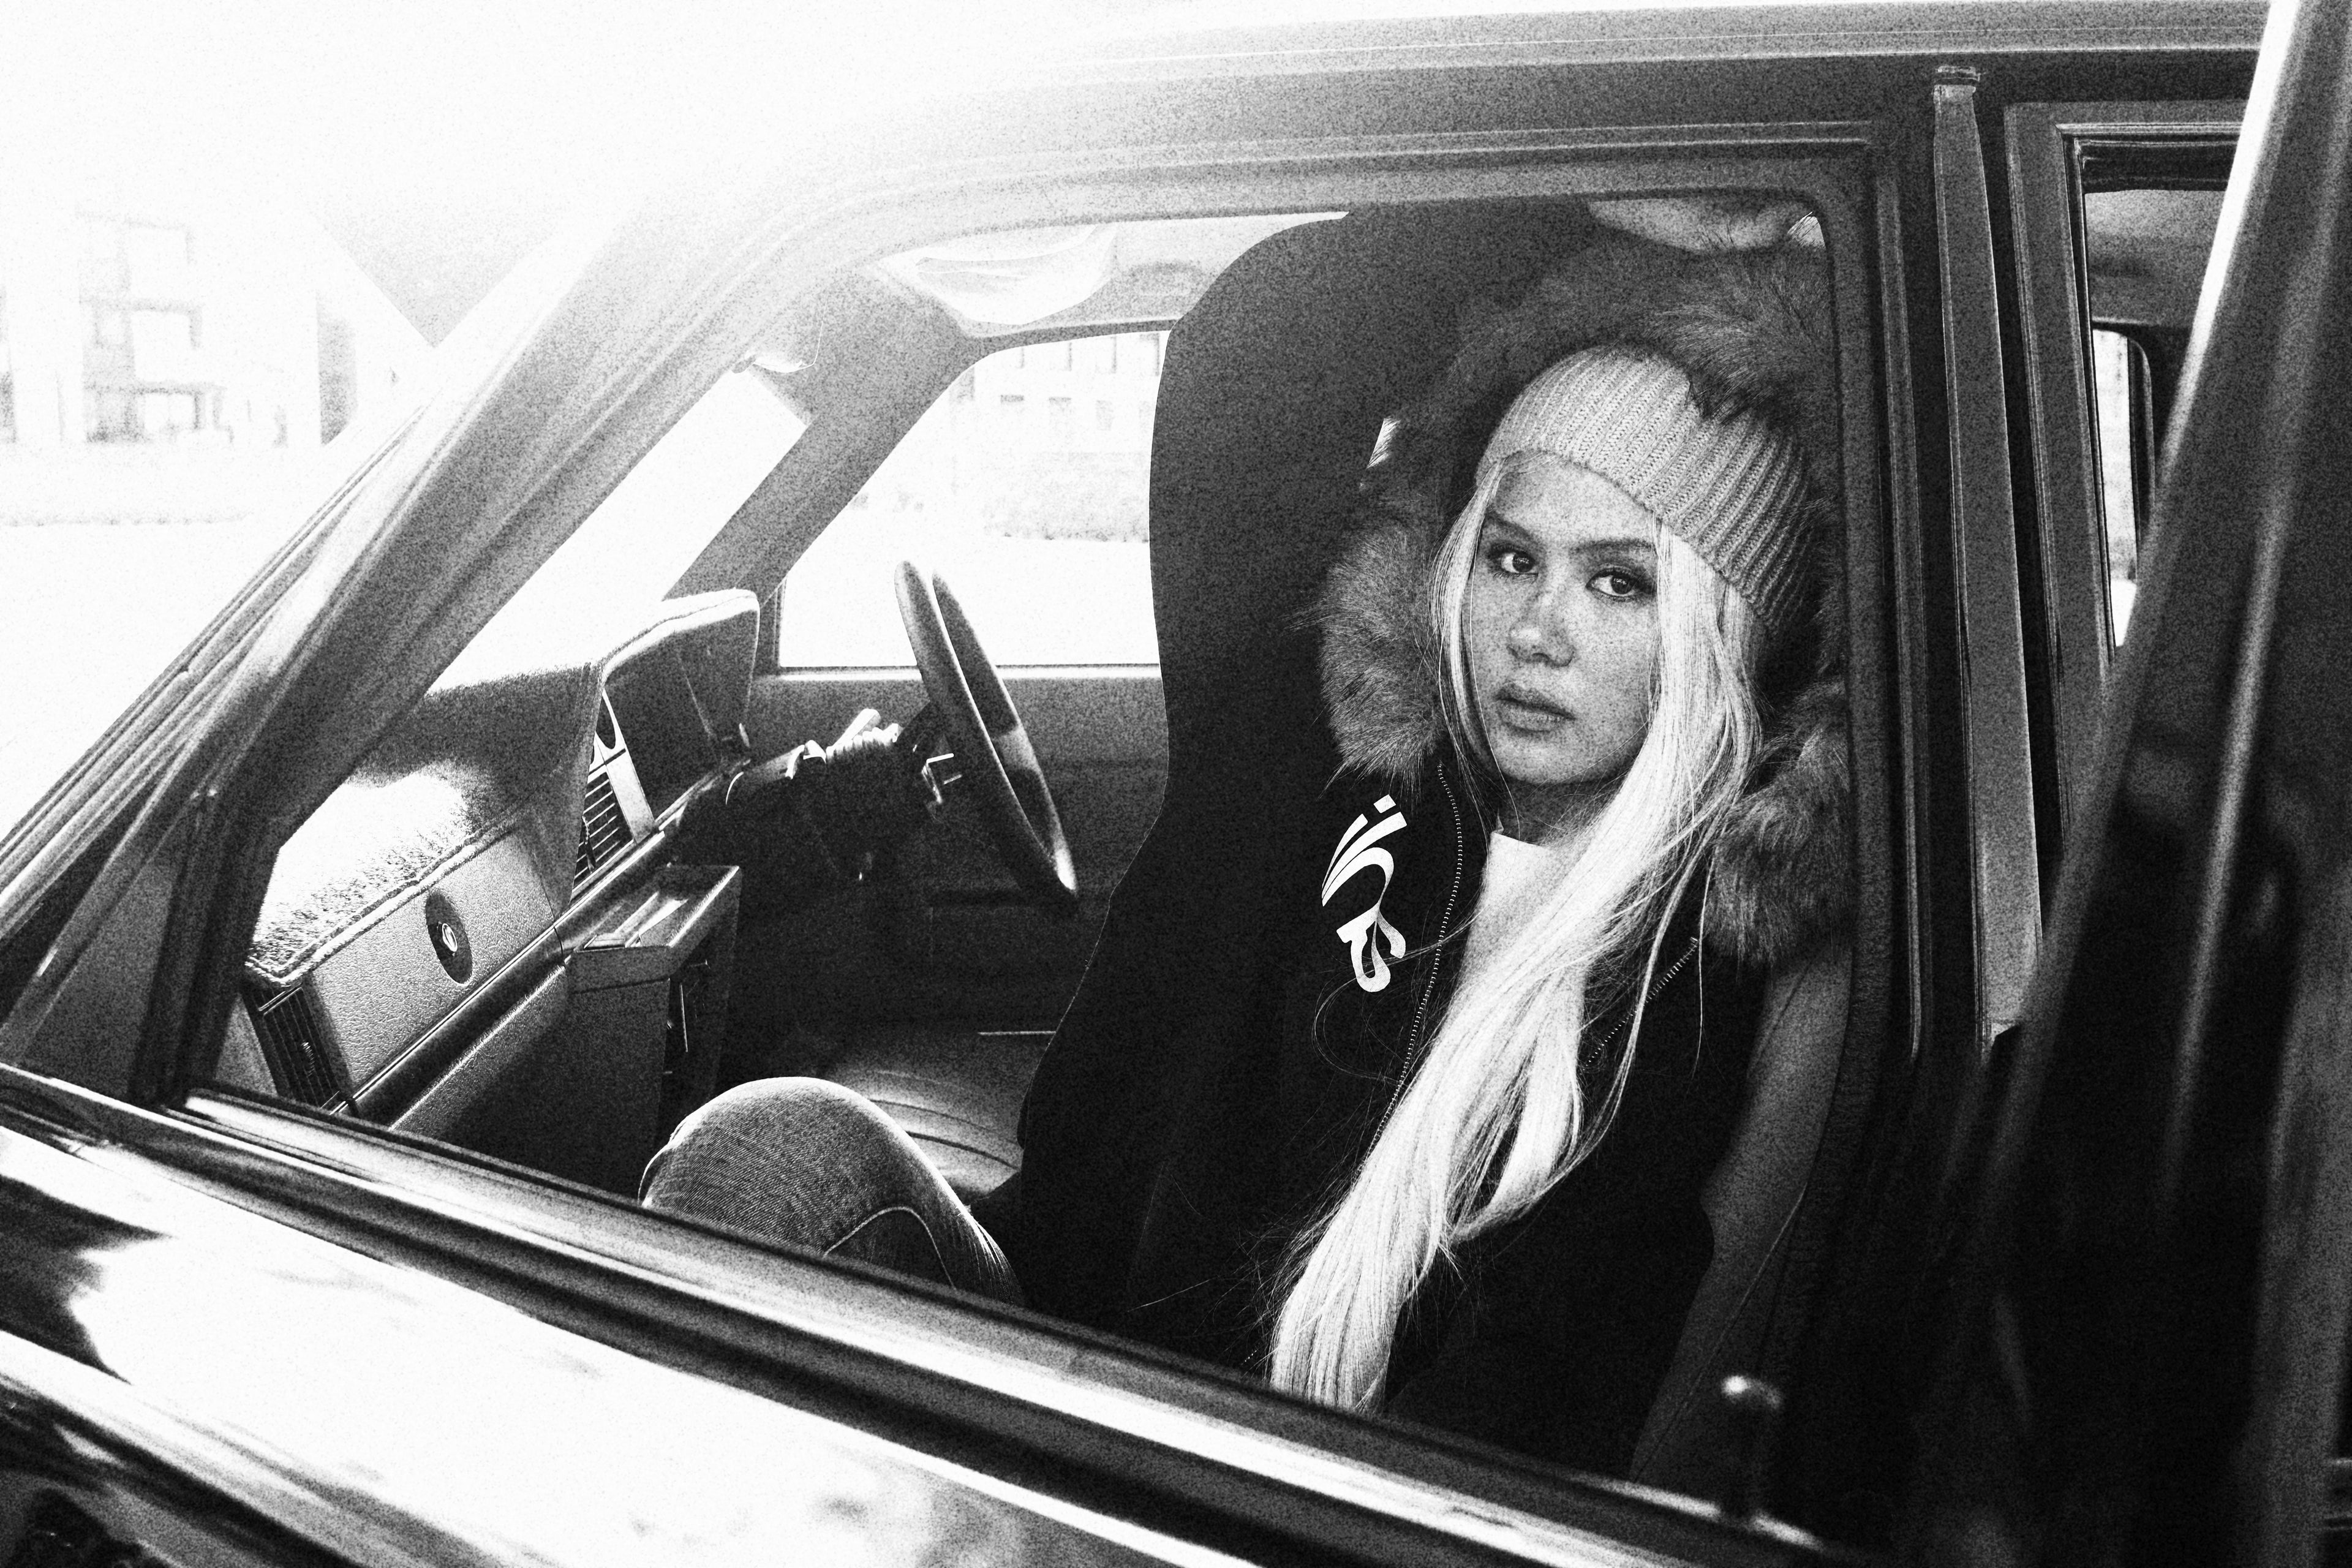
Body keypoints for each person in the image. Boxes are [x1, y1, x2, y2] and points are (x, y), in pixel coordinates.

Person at [643, 236, 1849, 1475]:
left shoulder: (1693, 972)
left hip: (1259, 1494)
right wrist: (1592, 202)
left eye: (1621, 584)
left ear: (1726, 633)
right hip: (1084, 1348)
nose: (1539, 629)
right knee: (776, 1150)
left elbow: (1528, 1404)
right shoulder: (1326, 748)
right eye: (1512, 557)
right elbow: (1260, 366)